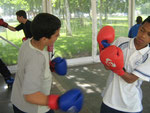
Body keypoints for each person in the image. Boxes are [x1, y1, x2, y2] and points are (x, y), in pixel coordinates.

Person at [11, 13, 83, 113]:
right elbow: (30, 95)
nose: (59, 36)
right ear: (44, 39)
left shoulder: (28, 42)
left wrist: (50, 67)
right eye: (56, 35)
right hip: (32, 109)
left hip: (18, 101)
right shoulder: (36, 60)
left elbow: (28, 69)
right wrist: (57, 102)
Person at [99, 16, 150, 113]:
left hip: (130, 105)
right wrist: (102, 47)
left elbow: (130, 79)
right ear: (139, 27)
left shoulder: (148, 56)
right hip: (109, 100)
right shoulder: (121, 41)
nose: (143, 35)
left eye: (149, 34)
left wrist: (117, 67)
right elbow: (106, 66)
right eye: (142, 30)